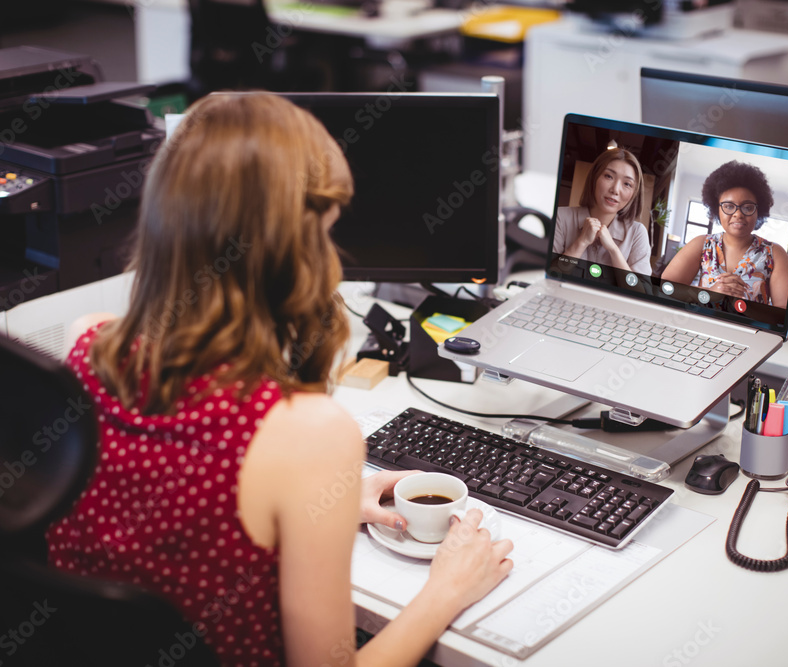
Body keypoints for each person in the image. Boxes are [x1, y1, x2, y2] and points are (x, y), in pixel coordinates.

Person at [46, 93, 513, 666]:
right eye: (327, 232)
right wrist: (449, 589)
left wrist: (318, 503)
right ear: (292, 248)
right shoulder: (306, 433)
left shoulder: (85, 345)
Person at [661, 161, 788, 308]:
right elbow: (666, 289)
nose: (738, 214)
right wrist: (709, 293)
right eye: (729, 206)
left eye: (747, 207)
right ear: (717, 209)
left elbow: (782, 316)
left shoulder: (775, 254)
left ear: (758, 211)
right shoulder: (702, 244)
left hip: (749, 330)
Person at [552, 148, 651, 275]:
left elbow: (638, 291)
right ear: (594, 177)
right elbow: (548, 277)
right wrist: (581, 242)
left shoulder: (637, 233)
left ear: (634, 194)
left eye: (627, 184)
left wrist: (614, 250)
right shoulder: (560, 217)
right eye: (609, 176)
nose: (615, 190)